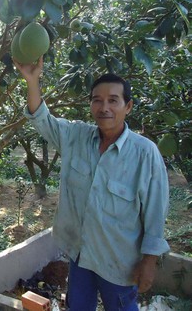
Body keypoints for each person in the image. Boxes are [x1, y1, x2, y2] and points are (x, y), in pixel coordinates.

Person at [15, 57, 170, 310]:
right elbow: (42, 119)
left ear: (127, 106)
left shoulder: (145, 153)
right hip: (80, 255)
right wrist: (32, 81)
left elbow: (155, 212)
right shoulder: (77, 136)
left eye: (113, 100)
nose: (104, 107)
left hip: (119, 264)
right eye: (97, 100)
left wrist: (149, 262)